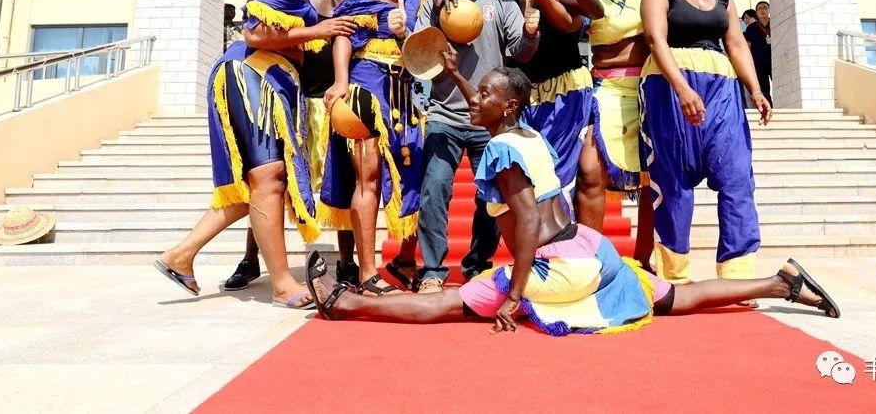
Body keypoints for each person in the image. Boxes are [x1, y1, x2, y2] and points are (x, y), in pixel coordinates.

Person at [303, 65, 840, 334]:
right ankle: (781, 282)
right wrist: (457, 73)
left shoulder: (501, 152)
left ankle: (343, 303)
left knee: (445, 303)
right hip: (593, 250)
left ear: (506, 106)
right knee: (677, 297)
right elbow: (491, 105)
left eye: (484, 95)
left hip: (559, 266)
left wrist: (514, 295)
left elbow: (527, 223)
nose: (474, 101)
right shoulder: (525, 133)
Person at [154, 0, 358, 308]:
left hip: (264, 77)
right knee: (268, 177)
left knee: (260, 181)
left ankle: (181, 255)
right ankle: (281, 284)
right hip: (256, 74)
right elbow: (254, 32)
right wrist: (320, 30)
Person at [577, 0, 746, 268]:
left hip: (657, 86)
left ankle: (644, 259)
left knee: (654, 175)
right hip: (609, 90)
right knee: (591, 170)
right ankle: (588, 260)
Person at [203, 0, 361, 290]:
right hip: (291, 94)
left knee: (340, 180)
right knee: (270, 178)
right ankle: (250, 259)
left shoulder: (343, 3)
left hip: (330, 101)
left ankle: (348, 262)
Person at [433, 0, 604, 205]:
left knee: (565, 175)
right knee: (529, 177)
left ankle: (568, 235)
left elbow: (593, 12)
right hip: (521, 101)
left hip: (564, 95)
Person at [640, 0, 773, 290]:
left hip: (722, 88)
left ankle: (737, 275)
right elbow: (656, 40)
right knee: (673, 181)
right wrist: (682, 89)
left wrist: (755, 90)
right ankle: (674, 275)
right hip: (669, 85)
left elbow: (736, 44)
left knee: (737, 177)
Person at [413, 0, 540, 293]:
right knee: (434, 189)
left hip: (490, 122)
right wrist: (435, 4)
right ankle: (433, 271)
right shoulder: (432, 4)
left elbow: (521, 53)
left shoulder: (501, 5)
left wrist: (531, 32)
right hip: (445, 114)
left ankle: (476, 265)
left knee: (492, 197)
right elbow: (419, 55)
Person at [321, 0, 424, 296]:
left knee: (412, 176)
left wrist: (404, 31)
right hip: (366, 90)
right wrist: (340, 82)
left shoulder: (413, 0)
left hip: (404, 96)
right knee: (367, 179)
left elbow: (423, 49)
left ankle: (406, 262)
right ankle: (367, 272)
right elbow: (342, 38)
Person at [744, 0, 772, 105]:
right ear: (756, 12)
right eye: (759, 8)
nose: (762, 10)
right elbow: (748, 46)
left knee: (781, 83)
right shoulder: (752, 27)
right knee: (764, 89)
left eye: (765, 7)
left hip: (775, 61)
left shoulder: (776, 23)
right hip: (759, 62)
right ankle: (769, 108)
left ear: (769, 10)